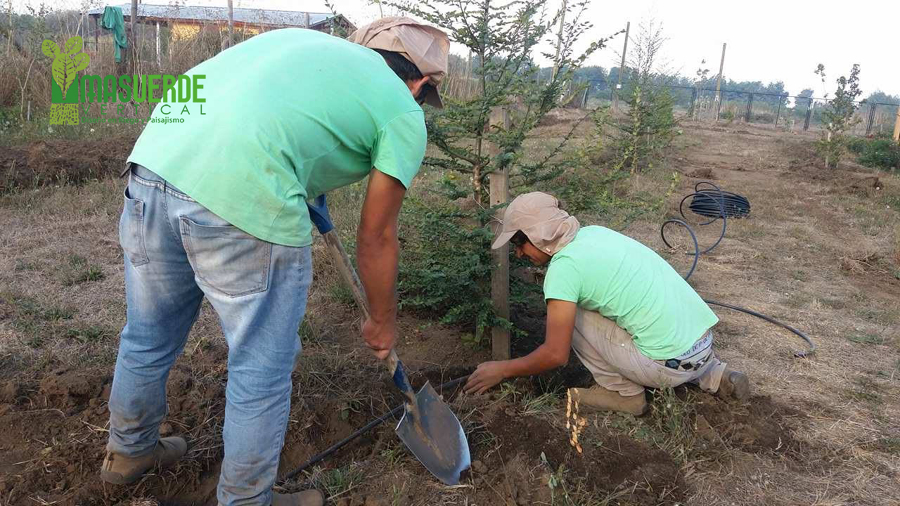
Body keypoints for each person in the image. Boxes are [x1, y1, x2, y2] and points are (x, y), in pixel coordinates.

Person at [100, 18, 449, 506]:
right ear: (421, 82)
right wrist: (383, 320)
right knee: (260, 367)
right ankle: (246, 500)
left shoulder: (299, 43)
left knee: (147, 334)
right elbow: (377, 236)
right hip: (241, 197)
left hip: (153, 167)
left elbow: (263, 113)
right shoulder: (402, 111)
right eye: (425, 97)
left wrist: (305, 182)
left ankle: (128, 452)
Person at [464, 192, 750, 415]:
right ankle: (715, 375)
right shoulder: (595, 234)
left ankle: (624, 395)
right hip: (702, 346)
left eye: (519, 243)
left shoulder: (564, 270)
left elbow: (555, 355)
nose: (518, 253)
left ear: (539, 235)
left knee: (569, 316)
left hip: (667, 366)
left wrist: (502, 369)